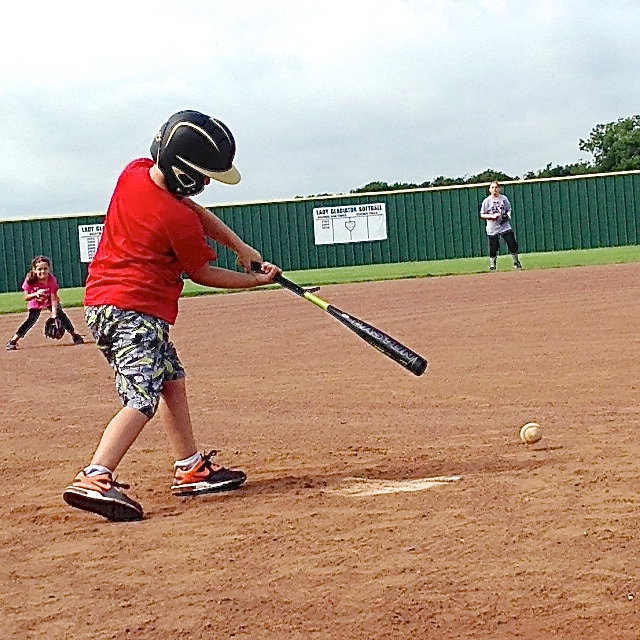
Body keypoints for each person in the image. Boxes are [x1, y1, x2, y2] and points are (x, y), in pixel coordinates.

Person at [62, 110, 281, 522]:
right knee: (141, 396)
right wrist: (255, 280)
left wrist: (240, 246)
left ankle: (190, 468)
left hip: (113, 306)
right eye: (203, 174)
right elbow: (201, 273)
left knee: (171, 381)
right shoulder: (173, 219)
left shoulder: (136, 172)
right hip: (131, 311)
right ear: (182, 170)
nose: (208, 182)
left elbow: (194, 209)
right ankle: (95, 476)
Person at [6, 255, 85, 350]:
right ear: (34, 270)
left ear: (49, 269)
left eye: (45, 268)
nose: (42, 271)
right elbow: (26, 297)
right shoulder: (30, 280)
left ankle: (75, 336)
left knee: (61, 316)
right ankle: (13, 341)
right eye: (39, 269)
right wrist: (36, 294)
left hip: (49, 300)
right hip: (35, 300)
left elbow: (54, 299)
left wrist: (54, 315)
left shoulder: (51, 280)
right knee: (31, 319)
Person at [479, 181, 522, 271]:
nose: (494, 189)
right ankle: (492, 265)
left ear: (499, 189)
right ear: (489, 189)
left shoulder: (503, 199)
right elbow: (482, 215)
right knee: (493, 246)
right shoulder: (487, 201)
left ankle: (516, 262)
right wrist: (492, 216)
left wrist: (508, 216)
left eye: (496, 187)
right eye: (492, 187)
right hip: (492, 226)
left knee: (512, 243)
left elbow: (508, 209)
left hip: (504, 225)